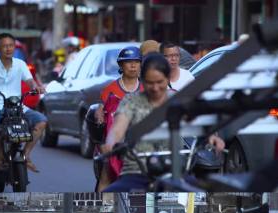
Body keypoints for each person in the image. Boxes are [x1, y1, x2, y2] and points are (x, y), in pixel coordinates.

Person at [100, 53, 225, 191]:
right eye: (149, 83)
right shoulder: (131, 101)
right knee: (111, 194)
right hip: (137, 171)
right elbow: (118, 127)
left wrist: (212, 137)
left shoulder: (177, 100)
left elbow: (197, 122)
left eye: (159, 82)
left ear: (167, 79)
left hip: (175, 169)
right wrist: (111, 142)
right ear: (142, 80)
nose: (155, 88)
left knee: (201, 194)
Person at [0, 33, 47, 174]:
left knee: (42, 121)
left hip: (17, 105)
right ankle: (0, 157)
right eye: (4, 46)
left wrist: (35, 87)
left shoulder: (20, 64)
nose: (8, 49)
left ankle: (25, 155)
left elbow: (30, 80)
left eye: (11, 45)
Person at [94, 46, 144, 192]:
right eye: (129, 62)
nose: (133, 65)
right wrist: (99, 114)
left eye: (136, 61)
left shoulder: (147, 88)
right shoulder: (110, 89)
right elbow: (101, 109)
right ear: (121, 65)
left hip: (140, 142)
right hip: (115, 142)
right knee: (106, 176)